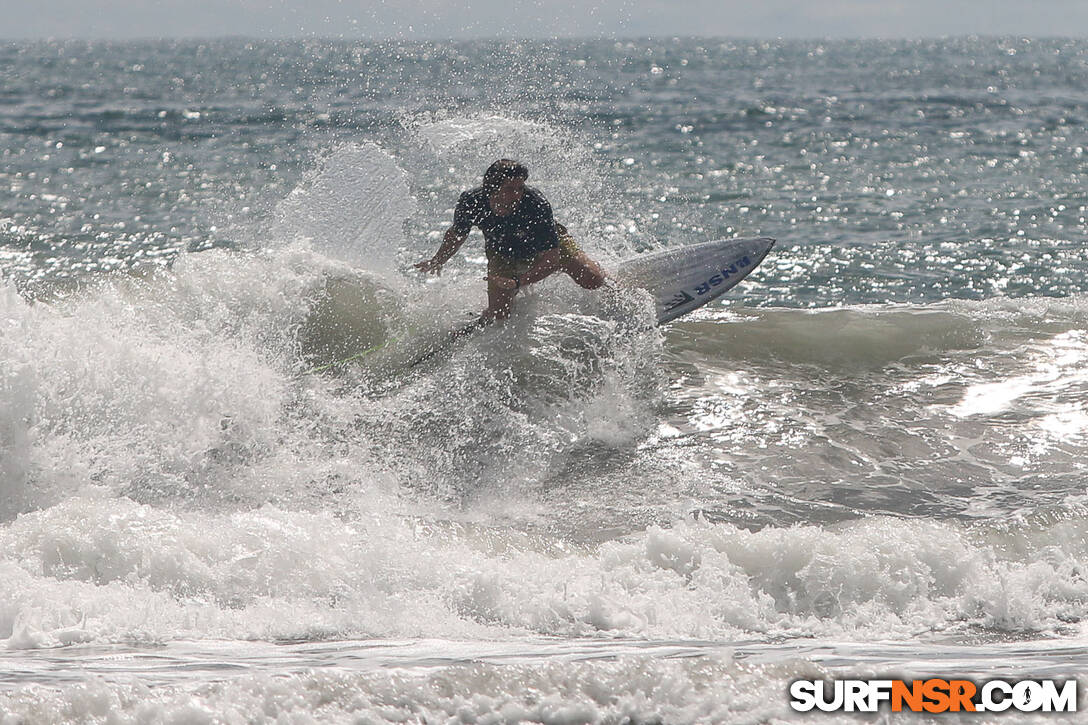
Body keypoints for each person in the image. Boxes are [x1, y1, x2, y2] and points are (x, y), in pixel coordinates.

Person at [415, 159, 606, 321]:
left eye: (520, 188)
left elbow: (552, 257)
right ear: (491, 188)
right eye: (510, 189)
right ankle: (478, 320)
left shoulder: (536, 203)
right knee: (499, 314)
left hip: (546, 246)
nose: (517, 195)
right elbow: (457, 234)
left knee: (593, 280)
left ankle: (606, 275)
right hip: (502, 252)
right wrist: (438, 259)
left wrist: (518, 282)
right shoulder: (471, 202)